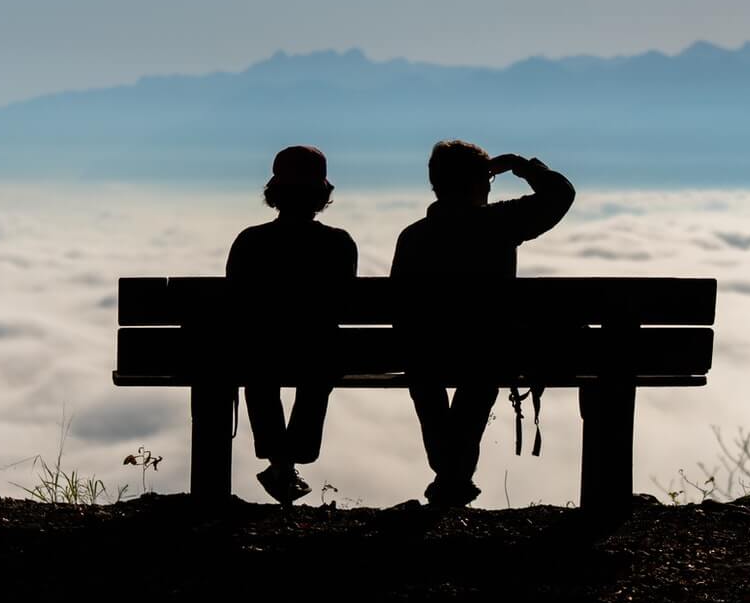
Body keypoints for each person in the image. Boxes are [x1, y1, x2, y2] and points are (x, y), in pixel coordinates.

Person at [390, 141, 575, 506]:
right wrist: (524, 167)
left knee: (425, 379)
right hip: (487, 352)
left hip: (424, 353)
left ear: (436, 184)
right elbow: (561, 194)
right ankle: (453, 474)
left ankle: (449, 473)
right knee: (481, 373)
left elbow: (399, 308)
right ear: (481, 183)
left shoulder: (413, 236)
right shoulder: (499, 224)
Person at [225, 145, 358, 504]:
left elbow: (235, 304)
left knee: (258, 370)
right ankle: (290, 459)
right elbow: (344, 306)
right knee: (319, 370)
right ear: (322, 194)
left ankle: (280, 462)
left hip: (261, 352)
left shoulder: (251, 241)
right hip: (318, 352)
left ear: (275, 192)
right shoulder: (339, 244)